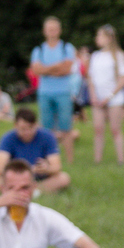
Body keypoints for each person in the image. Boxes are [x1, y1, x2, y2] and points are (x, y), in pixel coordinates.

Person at [0, 108, 70, 193]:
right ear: (15, 125)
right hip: (15, 177)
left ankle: (32, 191)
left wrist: (46, 168)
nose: (27, 132)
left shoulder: (48, 136)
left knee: (63, 178)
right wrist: (24, 172)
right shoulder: (8, 138)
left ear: (36, 125)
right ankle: (19, 190)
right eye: (23, 129)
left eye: (31, 128)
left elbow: (56, 167)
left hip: (39, 178)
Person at [29, 17, 78, 160]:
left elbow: (67, 69)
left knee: (66, 127)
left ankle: (70, 160)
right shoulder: (39, 49)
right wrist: (56, 67)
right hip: (45, 93)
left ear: (60, 30)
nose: (52, 32)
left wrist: (46, 69)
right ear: (45, 31)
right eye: (49, 29)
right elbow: (36, 70)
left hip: (63, 92)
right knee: (46, 129)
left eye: (55, 29)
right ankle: (48, 159)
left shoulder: (67, 48)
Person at [88, 25, 124, 166]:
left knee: (115, 129)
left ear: (109, 38)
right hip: (98, 99)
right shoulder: (95, 56)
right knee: (98, 129)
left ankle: (121, 160)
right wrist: (93, 96)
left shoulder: (119, 55)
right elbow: (91, 78)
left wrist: (110, 96)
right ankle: (97, 160)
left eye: (100, 35)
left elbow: (123, 79)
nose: (97, 38)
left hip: (114, 100)